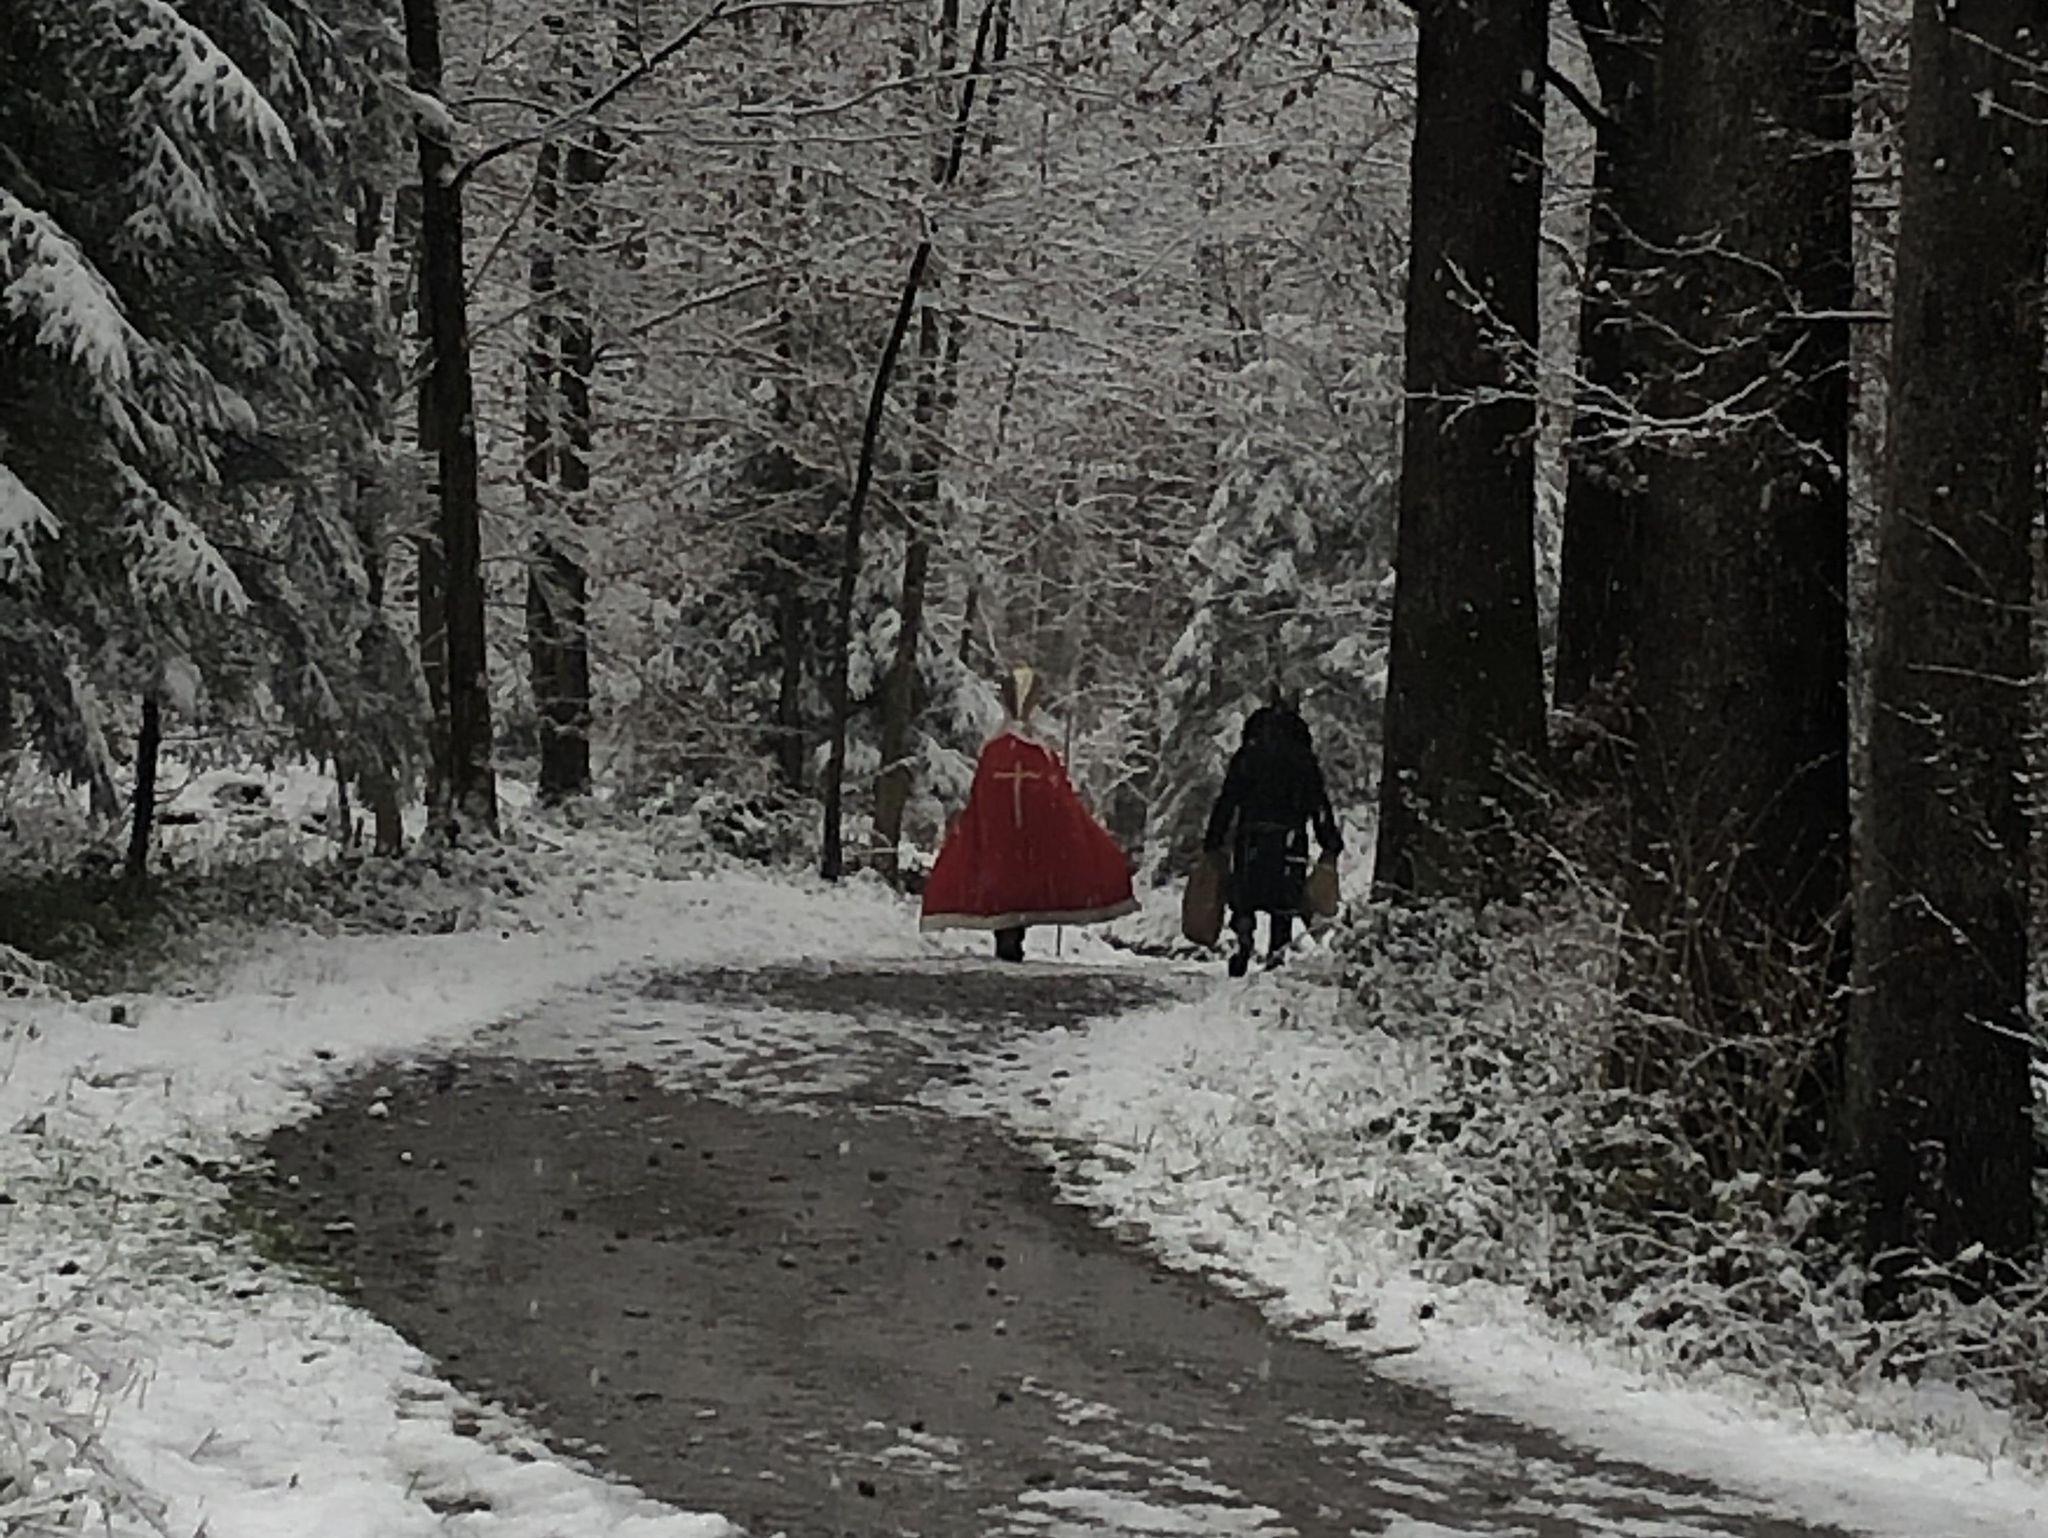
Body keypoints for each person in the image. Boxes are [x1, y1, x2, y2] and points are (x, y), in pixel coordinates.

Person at [920, 665, 1137, 960]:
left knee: (1010, 884)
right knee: (1016, 883)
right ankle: (1011, 936)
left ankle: (1010, 935)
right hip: (1013, 839)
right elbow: (1052, 793)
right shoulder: (1032, 753)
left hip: (1006, 840)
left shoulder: (1003, 751)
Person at [1203, 693, 1341, 976]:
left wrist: (1214, 839)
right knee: (1284, 900)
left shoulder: (1248, 756)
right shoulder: (1303, 760)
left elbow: (1228, 799)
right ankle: (1277, 953)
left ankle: (1244, 936)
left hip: (1251, 835)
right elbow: (1318, 803)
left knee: (1245, 893)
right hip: (1290, 838)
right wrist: (1329, 840)